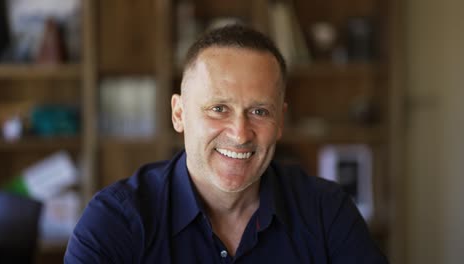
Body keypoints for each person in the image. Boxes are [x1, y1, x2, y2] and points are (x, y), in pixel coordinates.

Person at [65, 24, 388, 263]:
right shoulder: (116, 220)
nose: (240, 133)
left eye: (259, 111)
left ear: (280, 122)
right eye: (218, 109)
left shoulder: (325, 212)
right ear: (179, 114)